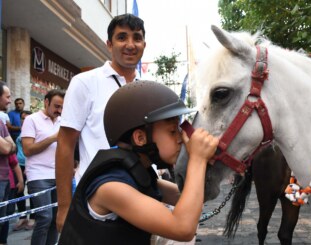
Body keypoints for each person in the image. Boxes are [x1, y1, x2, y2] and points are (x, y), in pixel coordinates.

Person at [58, 81, 218, 244]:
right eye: (172, 131)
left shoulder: (137, 173)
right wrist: (198, 159)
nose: (180, 139)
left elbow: (190, 196)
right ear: (140, 138)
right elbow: (183, 228)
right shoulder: (111, 187)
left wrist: (207, 160)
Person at [56, 13, 146, 231]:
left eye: (137, 38)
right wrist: (64, 207)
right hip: (96, 202)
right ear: (109, 44)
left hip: (142, 200)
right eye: (122, 37)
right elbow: (65, 145)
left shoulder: (148, 89)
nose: (130, 45)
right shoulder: (85, 83)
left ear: (144, 44)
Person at [22, 90, 64, 245]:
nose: (59, 111)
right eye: (56, 106)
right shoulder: (31, 120)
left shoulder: (61, 121)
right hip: (38, 175)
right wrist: (53, 138)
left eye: (61, 107)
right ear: (46, 102)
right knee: (45, 217)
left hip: (59, 175)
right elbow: (27, 150)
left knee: (56, 219)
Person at [0, 81, 17, 242]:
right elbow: (6, 148)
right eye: (7, 97)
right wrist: (8, 145)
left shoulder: (0, 122)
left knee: (3, 219)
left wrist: (8, 145)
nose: (9, 100)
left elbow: (12, 147)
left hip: (4, 179)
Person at [13, 110, 35, 231]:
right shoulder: (21, 132)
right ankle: (22, 216)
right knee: (18, 190)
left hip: (29, 165)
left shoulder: (34, 131)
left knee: (32, 191)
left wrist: (28, 165)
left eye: (26, 118)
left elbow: (31, 150)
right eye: (22, 118)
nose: (24, 120)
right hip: (18, 164)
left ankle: (33, 217)